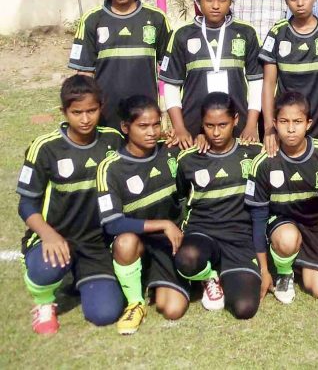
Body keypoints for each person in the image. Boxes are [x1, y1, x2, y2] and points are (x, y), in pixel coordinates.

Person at [17, 75, 124, 334]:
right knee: (47, 267)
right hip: (55, 236)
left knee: (105, 314)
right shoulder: (45, 147)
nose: (85, 119)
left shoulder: (113, 140)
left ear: (102, 107)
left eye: (92, 111)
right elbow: (26, 204)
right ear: (63, 112)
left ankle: (80, 276)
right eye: (77, 112)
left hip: (95, 243)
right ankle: (44, 303)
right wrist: (48, 235)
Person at [95, 95, 187, 335]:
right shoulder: (111, 167)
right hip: (137, 242)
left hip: (167, 244)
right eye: (143, 126)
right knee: (125, 242)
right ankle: (135, 302)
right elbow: (112, 223)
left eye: (156, 124)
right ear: (125, 127)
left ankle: (156, 279)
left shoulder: (169, 152)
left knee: (173, 309)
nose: (151, 132)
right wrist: (163, 223)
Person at [173, 94, 264, 319]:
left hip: (239, 238)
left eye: (222, 125)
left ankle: (229, 272)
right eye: (209, 126)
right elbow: (181, 197)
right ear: (201, 125)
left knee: (244, 308)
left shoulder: (253, 153)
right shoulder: (188, 159)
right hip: (203, 232)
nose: (215, 133)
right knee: (187, 259)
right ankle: (208, 275)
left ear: (235, 120)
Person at [246, 91, 318, 304]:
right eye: (284, 121)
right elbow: (258, 217)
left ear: (308, 123)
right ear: (274, 123)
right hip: (282, 224)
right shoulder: (264, 162)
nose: (290, 129)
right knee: (287, 238)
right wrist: (263, 268)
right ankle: (284, 271)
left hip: (316, 226)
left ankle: (299, 262)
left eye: (297, 121)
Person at [68, 0, 170, 129]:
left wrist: (168, 110)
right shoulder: (92, 20)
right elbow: (85, 75)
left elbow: (171, 71)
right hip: (106, 116)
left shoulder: (156, 19)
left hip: (145, 116)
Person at [160, 0, 263, 147]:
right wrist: (179, 127)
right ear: (198, 1)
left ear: (231, 0)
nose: (216, 5)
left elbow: (256, 83)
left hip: (238, 127)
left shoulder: (246, 33)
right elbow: (171, 85)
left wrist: (252, 124)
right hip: (192, 126)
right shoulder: (182, 34)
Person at [260, 0, 318, 148]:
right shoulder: (278, 33)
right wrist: (268, 127)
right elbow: (269, 83)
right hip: (288, 127)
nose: (300, 3)